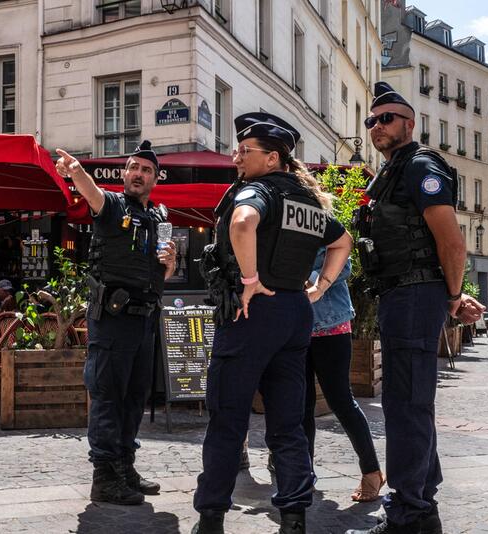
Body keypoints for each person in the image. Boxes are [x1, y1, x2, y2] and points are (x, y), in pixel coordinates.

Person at [192, 112, 352, 534]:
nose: (236, 156)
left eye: (245, 150)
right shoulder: (308, 202)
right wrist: (319, 287)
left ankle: (210, 517)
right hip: (295, 314)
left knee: (228, 417)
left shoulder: (258, 190)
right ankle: (294, 516)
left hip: (251, 313)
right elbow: (343, 241)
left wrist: (249, 280)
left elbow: (244, 223)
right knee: (288, 422)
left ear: (273, 158)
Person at [347, 83, 483, 534]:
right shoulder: (389, 173)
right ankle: (421, 504)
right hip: (401, 295)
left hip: (413, 295)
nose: (377, 126)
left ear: (410, 123)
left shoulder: (420, 166)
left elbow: (451, 240)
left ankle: (409, 511)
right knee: (409, 404)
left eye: (386, 118)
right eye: (371, 121)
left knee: (405, 403)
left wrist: (451, 296)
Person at [55, 140, 177, 506]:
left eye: (146, 170)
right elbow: (91, 194)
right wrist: (76, 171)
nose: (139, 174)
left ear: (156, 178)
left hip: (144, 320)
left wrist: (168, 266)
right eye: (134, 167)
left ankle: (125, 467)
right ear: (124, 173)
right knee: (108, 397)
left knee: (134, 399)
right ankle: (104, 478)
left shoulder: (158, 218)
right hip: (112, 319)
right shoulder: (111, 206)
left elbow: (160, 271)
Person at [302, 248, 383, 502]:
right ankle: (304, 474)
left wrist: (305, 278)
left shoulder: (326, 225)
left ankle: (371, 471)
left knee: (341, 401)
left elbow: (343, 266)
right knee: (301, 404)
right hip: (295, 327)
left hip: (330, 325)